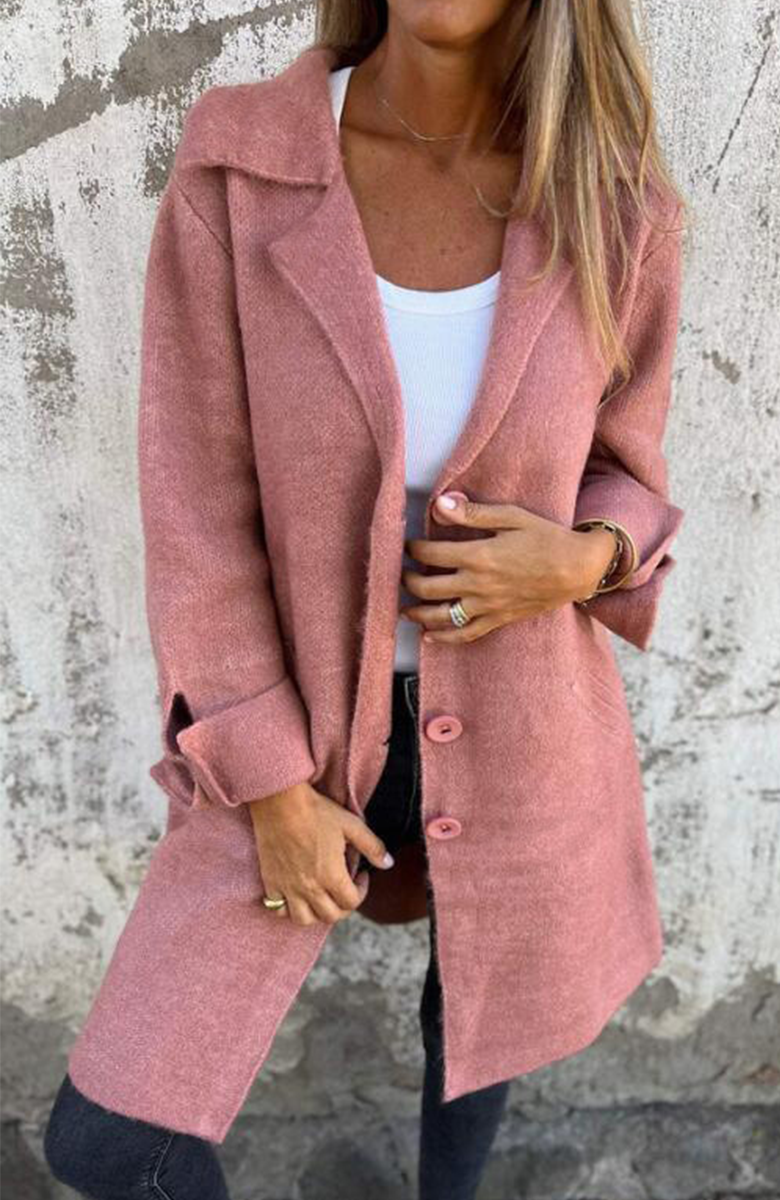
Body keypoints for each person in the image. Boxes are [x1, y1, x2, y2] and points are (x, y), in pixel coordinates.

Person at [44, 1, 688, 1197]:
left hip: (525, 730)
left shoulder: (611, 201)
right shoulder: (243, 164)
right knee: (108, 1142)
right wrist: (268, 783)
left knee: (478, 1022)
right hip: (288, 738)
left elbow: (627, 469)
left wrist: (585, 558)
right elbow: (196, 508)